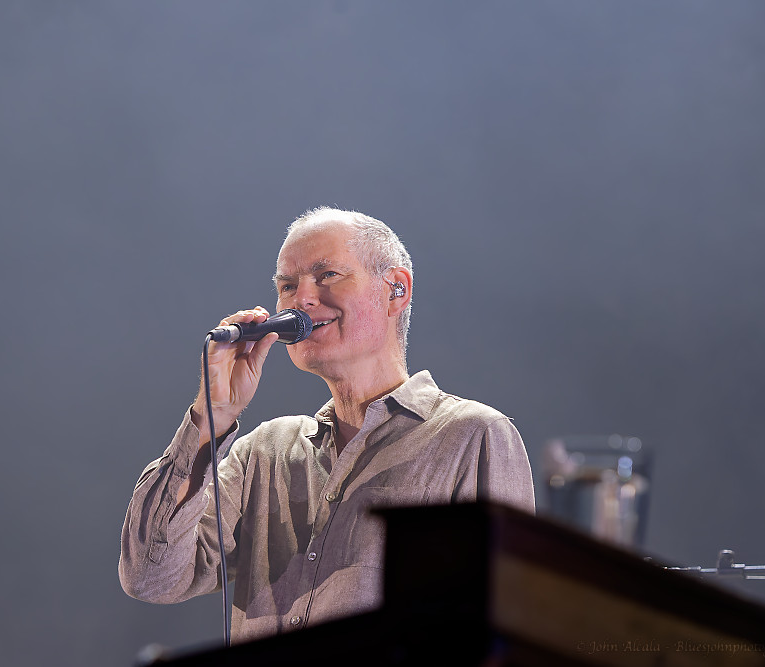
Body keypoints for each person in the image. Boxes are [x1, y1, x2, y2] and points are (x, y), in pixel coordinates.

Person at [119, 207, 534, 643]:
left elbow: (508, 627)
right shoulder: (264, 453)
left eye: (328, 275)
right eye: (287, 285)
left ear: (396, 289)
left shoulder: (470, 436)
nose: (302, 298)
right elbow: (150, 576)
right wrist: (211, 417)